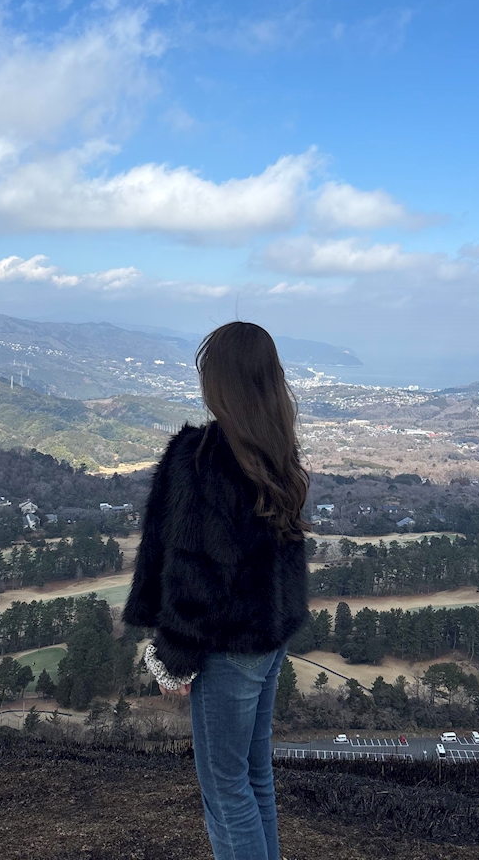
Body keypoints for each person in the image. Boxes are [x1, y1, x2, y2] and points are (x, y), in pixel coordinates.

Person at [123, 321, 310, 860]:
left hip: (226, 645)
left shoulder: (202, 456)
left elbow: (195, 568)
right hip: (268, 637)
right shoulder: (275, 450)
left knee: (225, 789)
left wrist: (174, 656)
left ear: (219, 382)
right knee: (254, 777)